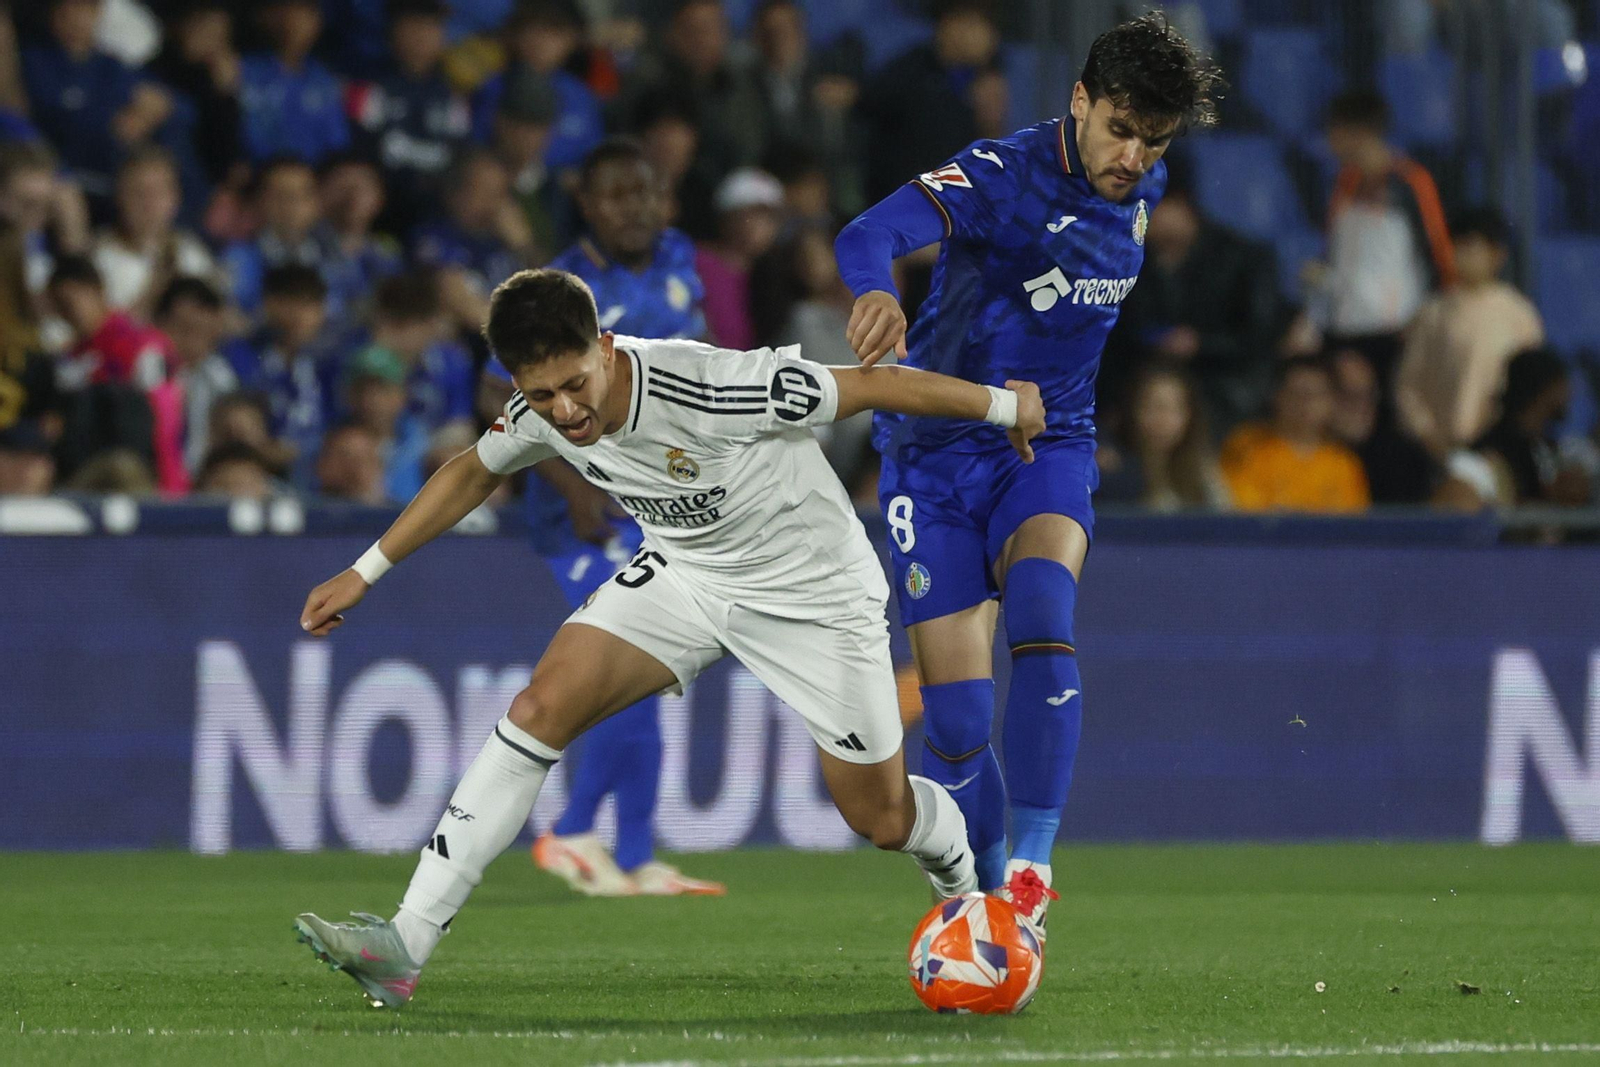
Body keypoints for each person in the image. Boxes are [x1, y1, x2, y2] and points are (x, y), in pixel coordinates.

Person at [293, 266, 1046, 1008]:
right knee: (536, 709)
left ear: (605, 345)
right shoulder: (538, 411)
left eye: (574, 384)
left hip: (814, 595)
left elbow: (876, 385)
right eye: (541, 393)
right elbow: (472, 470)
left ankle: (973, 894)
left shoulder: (712, 384)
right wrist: (364, 572)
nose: (564, 411)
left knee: (882, 819)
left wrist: (1003, 406)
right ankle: (405, 942)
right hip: (688, 576)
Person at [831, 13, 1223, 931]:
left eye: (1153, 140)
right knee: (960, 725)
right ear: (1079, 100)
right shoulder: (1002, 174)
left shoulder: (1144, 182)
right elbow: (867, 231)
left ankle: (1033, 883)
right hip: (932, 457)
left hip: (1049, 441)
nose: (1134, 156)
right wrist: (878, 289)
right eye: (1120, 129)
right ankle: (990, 896)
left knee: (1045, 612)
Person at [481, 139, 716, 897]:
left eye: (644, 192)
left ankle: (639, 853)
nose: (634, 208)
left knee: (653, 677)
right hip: (580, 514)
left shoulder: (680, 258)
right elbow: (506, 404)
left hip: (662, 505)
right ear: (586, 202)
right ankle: (576, 830)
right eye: (616, 195)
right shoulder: (558, 290)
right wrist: (575, 488)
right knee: (627, 664)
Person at [1104, 178, 1279, 434]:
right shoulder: (1129, 260)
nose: (1136, 218)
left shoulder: (1243, 258)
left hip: (1220, 385)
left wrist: (1201, 344)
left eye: (1146, 208)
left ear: (1180, 204)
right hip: (1145, 388)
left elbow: (1260, 336)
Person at [1314, 90, 1454, 383]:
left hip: (1397, 330)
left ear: (1361, 132)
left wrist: (1429, 318)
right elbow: (1334, 250)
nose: (1329, 139)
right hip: (1345, 324)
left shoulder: (1411, 182)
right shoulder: (1344, 184)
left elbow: (1439, 251)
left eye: (1334, 129)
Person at [1395, 207, 1546, 460]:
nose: (1462, 255)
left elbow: (1532, 387)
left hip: (1500, 452)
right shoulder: (1433, 313)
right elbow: (1408, 385)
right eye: (1458, 245)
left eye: (1472, 247)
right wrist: (1429, 437)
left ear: (1497, 255)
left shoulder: (1520, 314)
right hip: (1439, 451)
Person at [47, 254, 187, 494]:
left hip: (139, 478)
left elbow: (164, 418)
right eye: (59, 306)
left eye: (70, 302)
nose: (66, 314)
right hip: (86, 476)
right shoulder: (68, 358)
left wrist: (168, 488)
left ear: (97, 291)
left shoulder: (142, 346)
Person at [20, 0, 171, 200]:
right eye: (67, 9)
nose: (76, 18)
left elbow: (162, 100)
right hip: (62, 175)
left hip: (111, 179)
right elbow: (54, 115)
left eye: (84, 9)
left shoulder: (110, 64)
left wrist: (144, 115)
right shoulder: (34, 60)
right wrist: (112, 123)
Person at [348, 0, 472, 237]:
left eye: (431, 26)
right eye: (414, 24)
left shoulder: (452, 95)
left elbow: (460, 157)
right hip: (381, 211)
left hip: (436, 214)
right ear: (393, 29)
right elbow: (359, 154)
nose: (422, 35)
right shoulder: (370, 87)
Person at [224, 264, 338, 488]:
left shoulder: (328, 367)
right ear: (269, 304)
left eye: (310, 304)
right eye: (290, 301)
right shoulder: (240, 357)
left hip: (316, 482)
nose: (300, 314)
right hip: (254, 478)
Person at [1219, 357, 1371, 513]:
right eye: (1297, 393)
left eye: (1315, 395)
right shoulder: (1246, 445)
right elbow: (1239, 510)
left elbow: (1352, 525)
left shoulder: (1344, 463)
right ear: (1277, 396)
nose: (1305, 404)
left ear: (1331, 401)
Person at [91, 145, 217, 319]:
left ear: (175, 199)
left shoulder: (192, 255)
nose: (149, 204)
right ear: (119, 197)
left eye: (158, 193)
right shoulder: (97, 260)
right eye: (139, 193)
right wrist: (156, 290)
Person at [1096, 364, 1228, 511]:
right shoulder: (1111, 466)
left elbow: (1226, 524)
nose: (1162, 420)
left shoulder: (1203, 470)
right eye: (1151, 407)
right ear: (1132, 411)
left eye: (1173, 409)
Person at [238, 0, 350, 166]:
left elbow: (336, 145)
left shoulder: (325, 81)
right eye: (285, 8)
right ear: (264, 15)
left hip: (314, 181)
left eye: (305, 11)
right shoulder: (241, 71)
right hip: (259, 178)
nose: (293, 19)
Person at [154, 275, 237, 474]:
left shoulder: (221, 377)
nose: (194, 343)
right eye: (185, 330)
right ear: (159, 324)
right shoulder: (146, 371)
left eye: (204, 333)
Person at [696, 167, 785, 350]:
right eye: (751, 214)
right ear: (726, 216)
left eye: (769, 218)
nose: (760, 226)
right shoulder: (695, 261)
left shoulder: (771, 276)